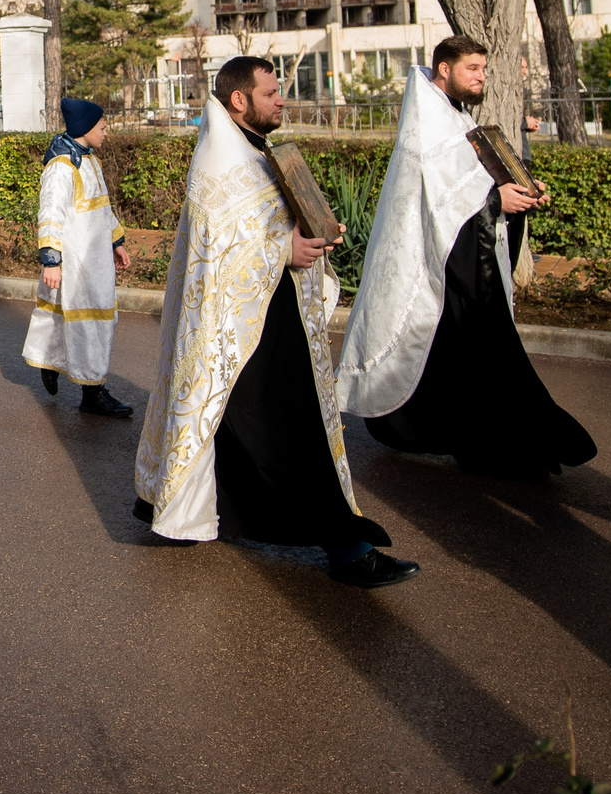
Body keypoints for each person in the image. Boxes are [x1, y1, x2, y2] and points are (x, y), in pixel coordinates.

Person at [132, 59, 413, 585]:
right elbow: (217, 249)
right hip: (241, 330)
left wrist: (315, 231)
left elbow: (265, 227)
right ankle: (349, 550)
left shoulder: (256, 150)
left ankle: (196, 513)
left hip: (269, 316)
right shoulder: (220, 159)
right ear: (240, 100)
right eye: (272, 92)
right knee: (289, 431)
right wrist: (283, 248)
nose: (281, 99)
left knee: (252, 429)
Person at [340, 35, 596, 479]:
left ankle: (498, 443)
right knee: (478, 356)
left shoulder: (452, 113)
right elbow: (440, 195)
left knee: (464, 358)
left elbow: (469, 180)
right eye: (472, 69)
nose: (481, 78)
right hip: (443, 263)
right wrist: (498, 202)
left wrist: (520, 193)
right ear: (444, 69)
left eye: (483, 69)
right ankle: (504, 446)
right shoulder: (428, 121)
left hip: (463, 255)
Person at [24, 96, 132, 418]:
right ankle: (92, 392)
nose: (106, 131)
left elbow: (103, 208)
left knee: (84, 318)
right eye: (102, 126)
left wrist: (117, 241)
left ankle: (53, 362)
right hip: (76, 260)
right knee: (86, 322)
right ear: (85, 128)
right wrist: (51, 260)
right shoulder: (61, 167)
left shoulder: (91, 161)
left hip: (96, 259)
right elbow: (51, 214)